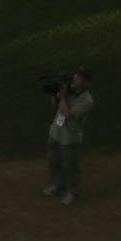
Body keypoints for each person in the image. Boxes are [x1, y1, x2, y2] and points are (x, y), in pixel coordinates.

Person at [45, 68, 95, 205]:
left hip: (71, 136)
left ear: (87, 83)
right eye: (75, 78)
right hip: (56, 130)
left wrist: (63, 96)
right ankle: (57, 186)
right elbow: (55, 107)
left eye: (78, 79)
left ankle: (73, 193)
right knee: (54, 161)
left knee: (70, 166)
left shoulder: (87, 101)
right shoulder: (69, 90)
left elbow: (69, 114)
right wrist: (54, 95)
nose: (74, 81)